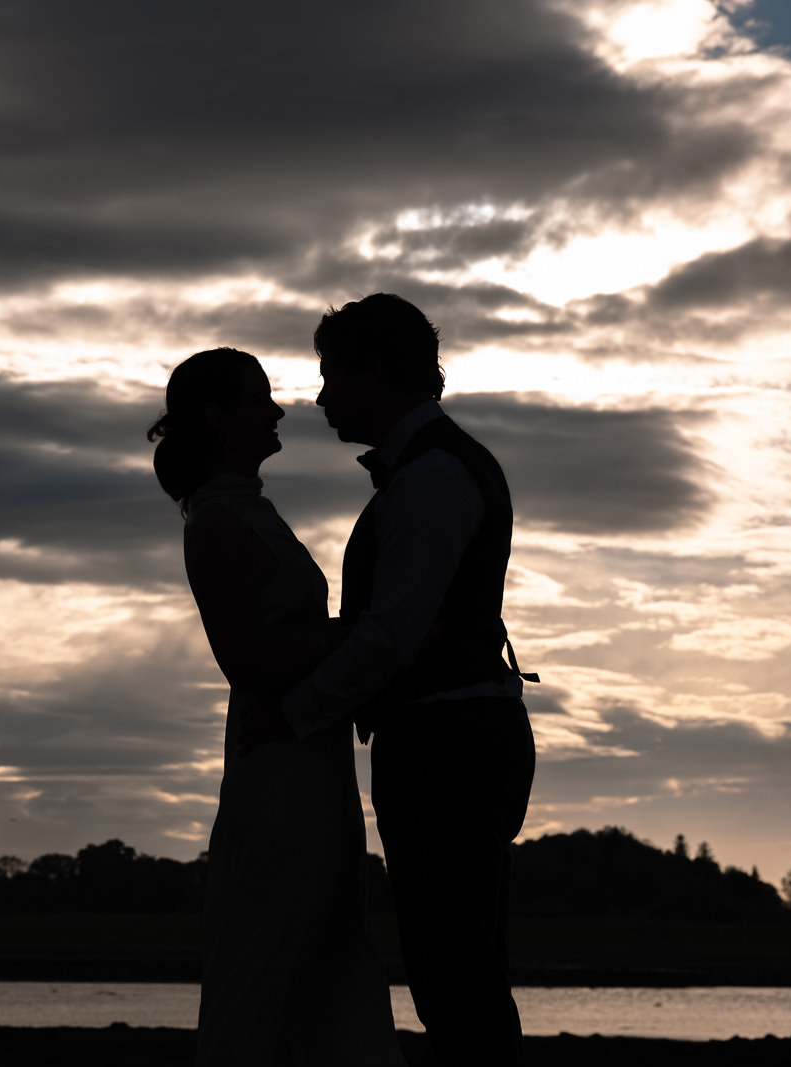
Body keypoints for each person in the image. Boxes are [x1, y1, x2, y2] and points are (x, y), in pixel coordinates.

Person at [274, 294, 537, 1065]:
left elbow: (391, 635)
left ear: (376, 371)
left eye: (331, 376)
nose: (320, 398)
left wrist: (295, 712)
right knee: (457, 969)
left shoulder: (429, 480)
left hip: (444, 746)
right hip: (456, 736)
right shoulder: (440, 470)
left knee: (453, 974)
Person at [148, 348, 406, 1067]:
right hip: (280, 770)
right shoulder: (218, 520)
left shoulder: (246, 510)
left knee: (325, 958)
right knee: (272, 959)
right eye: (260, 397)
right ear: (220, 416)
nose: (279, 409)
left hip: (311, 762)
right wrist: (368, 633)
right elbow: (248, 657)